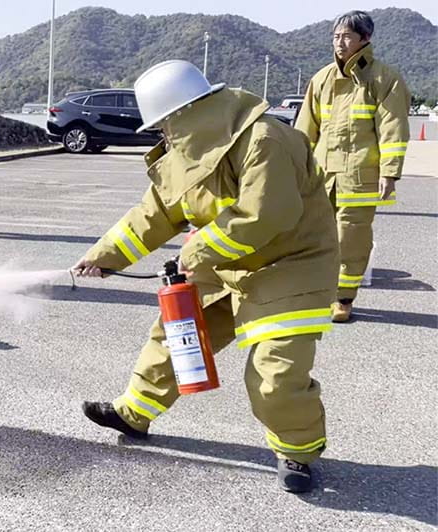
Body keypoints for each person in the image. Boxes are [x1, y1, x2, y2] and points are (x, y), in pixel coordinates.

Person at [72, 60, 339, 493]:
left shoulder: (265, 140)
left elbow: (269, 212)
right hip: (223, 261)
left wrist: (199, 249)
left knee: (275, 374)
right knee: (177, 335)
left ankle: (298, 454)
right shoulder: (187, 153)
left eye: (163, 126)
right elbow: (153, 215)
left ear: (185, 115)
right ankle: (135, 412)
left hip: (292, 264)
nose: (163, 136)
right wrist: (104, 257)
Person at [295, 10, 411, 323]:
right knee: (314, 235)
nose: (340, 43)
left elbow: (393, 129)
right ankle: (315, 293)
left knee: (351, 237)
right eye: (336, 36)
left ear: (365, 39)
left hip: (360, 175)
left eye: (347, 36)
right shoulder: (321, 79)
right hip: (321, 175)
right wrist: (294, 167)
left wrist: (390, 171)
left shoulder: (384, 79)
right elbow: (305, 130)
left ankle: (343, 299)